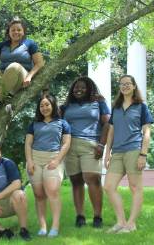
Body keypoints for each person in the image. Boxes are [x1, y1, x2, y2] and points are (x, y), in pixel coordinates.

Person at [104, 75, 153, 233]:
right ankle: (121, 222)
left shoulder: (141, 107)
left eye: (127, 84)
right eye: (122, 84)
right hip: (117, 152)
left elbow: (146, 132)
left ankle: (131, 224)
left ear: (133, 86)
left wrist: (143, 154)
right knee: (109, 187)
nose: (124, 86)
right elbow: (111, 132)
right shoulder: (116, 107)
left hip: (133, 150)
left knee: (135, 187)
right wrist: (107, 153)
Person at [61, 76, 110, 228]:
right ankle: (80, 216)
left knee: (92, 178)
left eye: (82, 87)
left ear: (89, 88)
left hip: (91, 145)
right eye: (76, 87)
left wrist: (102, 145)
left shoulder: (99, 102)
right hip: (70, 146)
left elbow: (107, 123)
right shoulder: (67, 106)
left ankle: (97, 217)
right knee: (76, 181)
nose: (79, 90)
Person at [25, 94, 71, 237]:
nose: (44, 108)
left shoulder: (63, 123)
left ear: (53, 105)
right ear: (39, 108)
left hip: (53, 159)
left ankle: (55, 227)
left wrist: (57, 160)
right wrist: (30, 161)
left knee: (52, 191)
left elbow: (66, 144)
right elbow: (28, 144)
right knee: (39, 195)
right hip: (35, 159)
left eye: (47, 105)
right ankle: (43, 227)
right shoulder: (33, 124)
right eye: (42, 105)